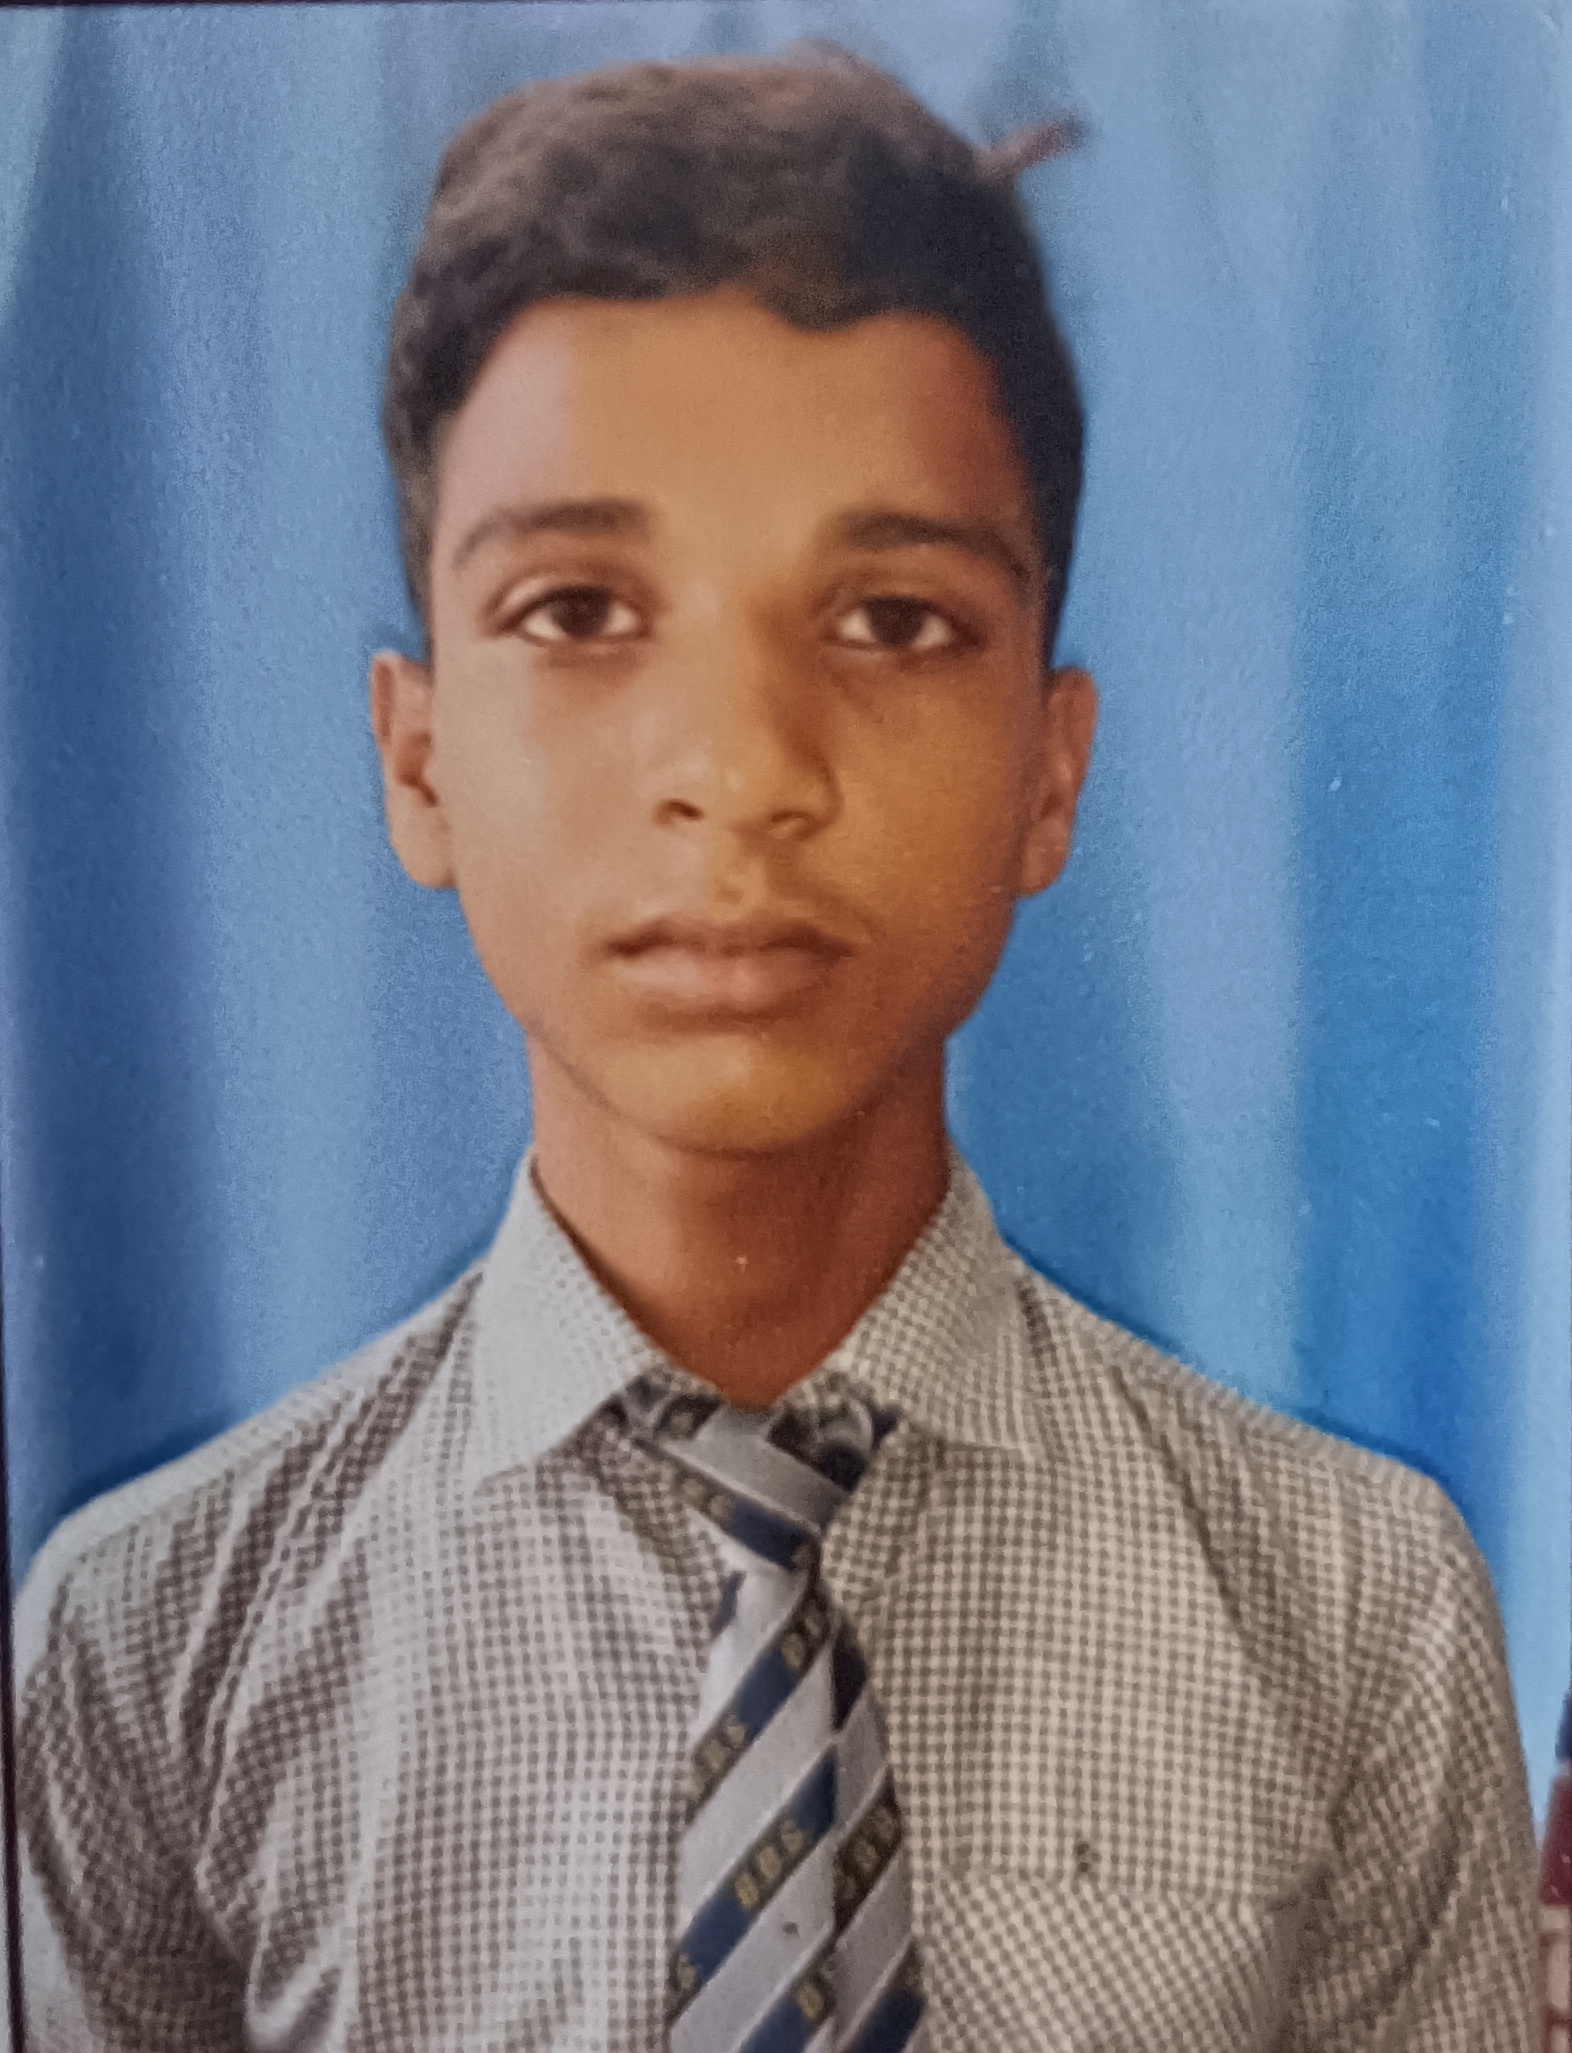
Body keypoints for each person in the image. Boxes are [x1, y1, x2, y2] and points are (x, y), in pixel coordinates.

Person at [13, 46, 1538, 2053]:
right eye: (580, 609)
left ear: (1051, 770)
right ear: (418, 758)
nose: (740, 768)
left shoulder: (1353, 1611)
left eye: (892, 621)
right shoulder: (150, 1647)